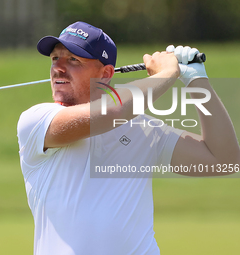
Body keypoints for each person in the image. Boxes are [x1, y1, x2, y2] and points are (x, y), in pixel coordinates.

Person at [17, 21, 240, 255]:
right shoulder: (36, 121)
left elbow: (224, 159)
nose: (58, 68)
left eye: (73, 60)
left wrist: (196, 80)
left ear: (105, 74)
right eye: (55, 58)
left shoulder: (144, 130)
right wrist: (166, 74)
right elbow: (114, 111)